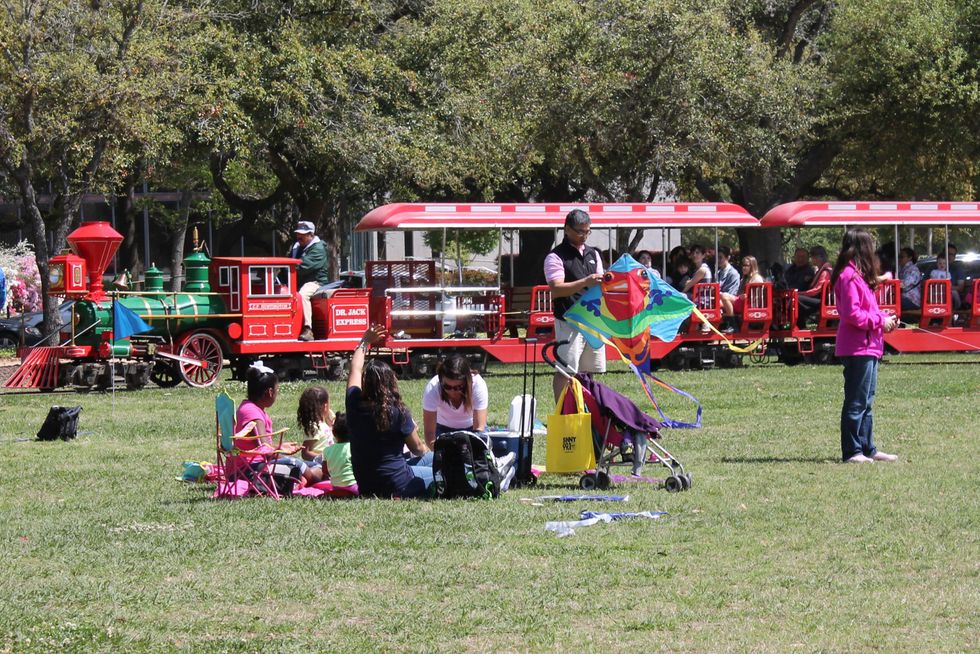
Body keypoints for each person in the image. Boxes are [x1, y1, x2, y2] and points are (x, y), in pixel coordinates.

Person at [831, 229, 899, 463]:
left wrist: (884, 317)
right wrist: (881, 320)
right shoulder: (848, 276)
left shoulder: (857, 276)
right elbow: (853, 314)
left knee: (866, 402)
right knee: (856, 401)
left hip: (869, 346)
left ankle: (868, 448)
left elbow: (866, 310)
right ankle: (852, 451)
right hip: (857, 347)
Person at [346, 325, 432, 498]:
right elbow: (418, 449)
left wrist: (365, 341)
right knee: (439, 465)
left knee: (430, 462)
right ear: (390, 381)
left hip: (366, 485)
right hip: (400, 485)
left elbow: (355, 368)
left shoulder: (353, 402)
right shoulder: (398, 410)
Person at [544, 209, 606, 401]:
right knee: (566, 370)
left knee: (589, 371)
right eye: (580, 231)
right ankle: (562, 413)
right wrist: (586, 282)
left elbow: (601, 286)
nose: (584, 235)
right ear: (567, 229)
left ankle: (587, 410)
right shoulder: (555, 256)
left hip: (593, 321)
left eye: (587, 231)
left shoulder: (593, 254)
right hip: (568, 321)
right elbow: (557, 289)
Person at [235, 362, 322, 485]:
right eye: (277, 390)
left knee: (313, 465)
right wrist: (282, 449)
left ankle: (307, 478)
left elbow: (258, 444)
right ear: (270, 392)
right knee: (298, 464)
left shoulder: (249, 407)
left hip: (251, 465)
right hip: (251, 469)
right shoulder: (253, 413)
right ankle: (316, 480)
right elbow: (265, 450)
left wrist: (280, 447)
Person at [422, 354, 489, 448]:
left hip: (472, 430)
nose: (452, 391)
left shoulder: (478, 385)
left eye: (459, 387)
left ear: (467, 382)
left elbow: (479, 428)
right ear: (441, 380)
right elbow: (429, 434)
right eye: (447, 387)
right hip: (443, 429)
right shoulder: (433, 387)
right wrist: (437, 451)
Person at [288, 220, 329, 342]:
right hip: (298, 282)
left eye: (303, 234)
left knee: (302, 295)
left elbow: (303, 267)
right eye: (298, 233)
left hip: (316, 282)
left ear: (311, 235)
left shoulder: (318, 248)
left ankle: (308, 329)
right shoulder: (297, 247)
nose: (299, 236)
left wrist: (286, 267)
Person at [296, 385, 335, 468]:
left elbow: (333, 426)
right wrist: (322, 458)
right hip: (318, 465)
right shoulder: (314, 427)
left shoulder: (324, 423)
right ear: (325, 406)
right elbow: (305, 453)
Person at [796, 246, 832, 328]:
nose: (811, 259)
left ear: (817, 257)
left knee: (796, 298)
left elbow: (816, 291)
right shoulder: (820, 270)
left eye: (812, 257)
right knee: (797, 297)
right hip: (818, 299)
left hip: (821, 302)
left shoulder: (825, 272)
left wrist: (800, 293)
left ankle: (799, 326)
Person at [321, 413, 357, 493]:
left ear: (334, 433)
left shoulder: (327, 450)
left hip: (336, 487)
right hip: (354, 486)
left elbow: (324, 470)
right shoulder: (354, 448)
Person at [716, 246, 741, 326]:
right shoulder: (718, 273)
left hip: (728, 301)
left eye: (720, 257)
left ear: (728, 257)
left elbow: (731, 293)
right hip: (718, 299)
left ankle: (731, 323)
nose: (718, 260)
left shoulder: (733, 273)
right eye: (717, 258)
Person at [897, 247, 922, 312]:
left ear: (910, 257)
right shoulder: (903, 269)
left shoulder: (912, 270)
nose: (899, 259)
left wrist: (891, 283)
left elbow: (904, 284)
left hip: (911, 300)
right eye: (899, 256)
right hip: (904, 297)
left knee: (892, 302)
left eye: (901, 257)